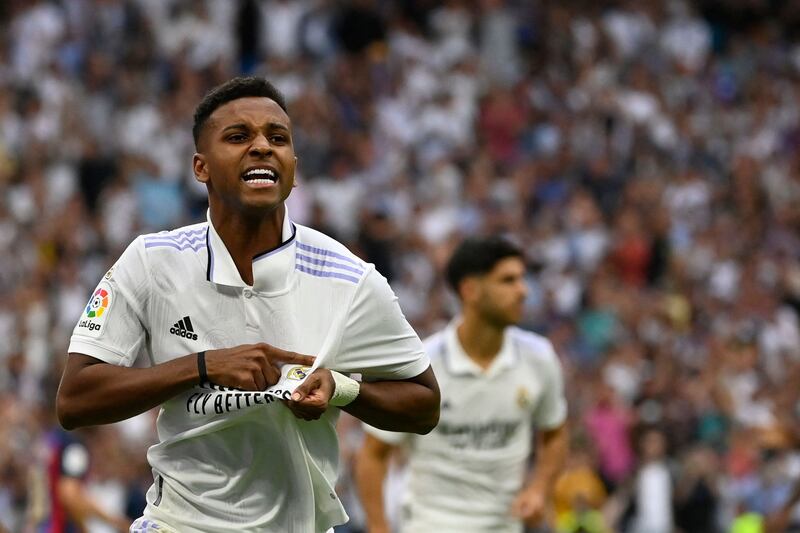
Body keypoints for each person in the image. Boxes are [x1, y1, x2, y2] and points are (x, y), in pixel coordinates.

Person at [56, 76, 440, 532]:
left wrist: (342, 389)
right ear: (201, 167)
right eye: (239, 137)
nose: (262, 147)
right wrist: (202, 365)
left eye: (277, 138)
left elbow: (425, 404)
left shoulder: (350, 279)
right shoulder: (151, 262)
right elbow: (74, 400)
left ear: (293, 166)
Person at [356, 236, 569, 533]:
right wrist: (378, 527)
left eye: (521, 279)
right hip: (431, 524)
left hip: (506, 526)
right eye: (508, 280)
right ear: (471, 290)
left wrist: (539, 489)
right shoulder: (423, 366)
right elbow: (373, 453)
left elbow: (555, 433)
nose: (523, 291)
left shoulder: (540, 357)